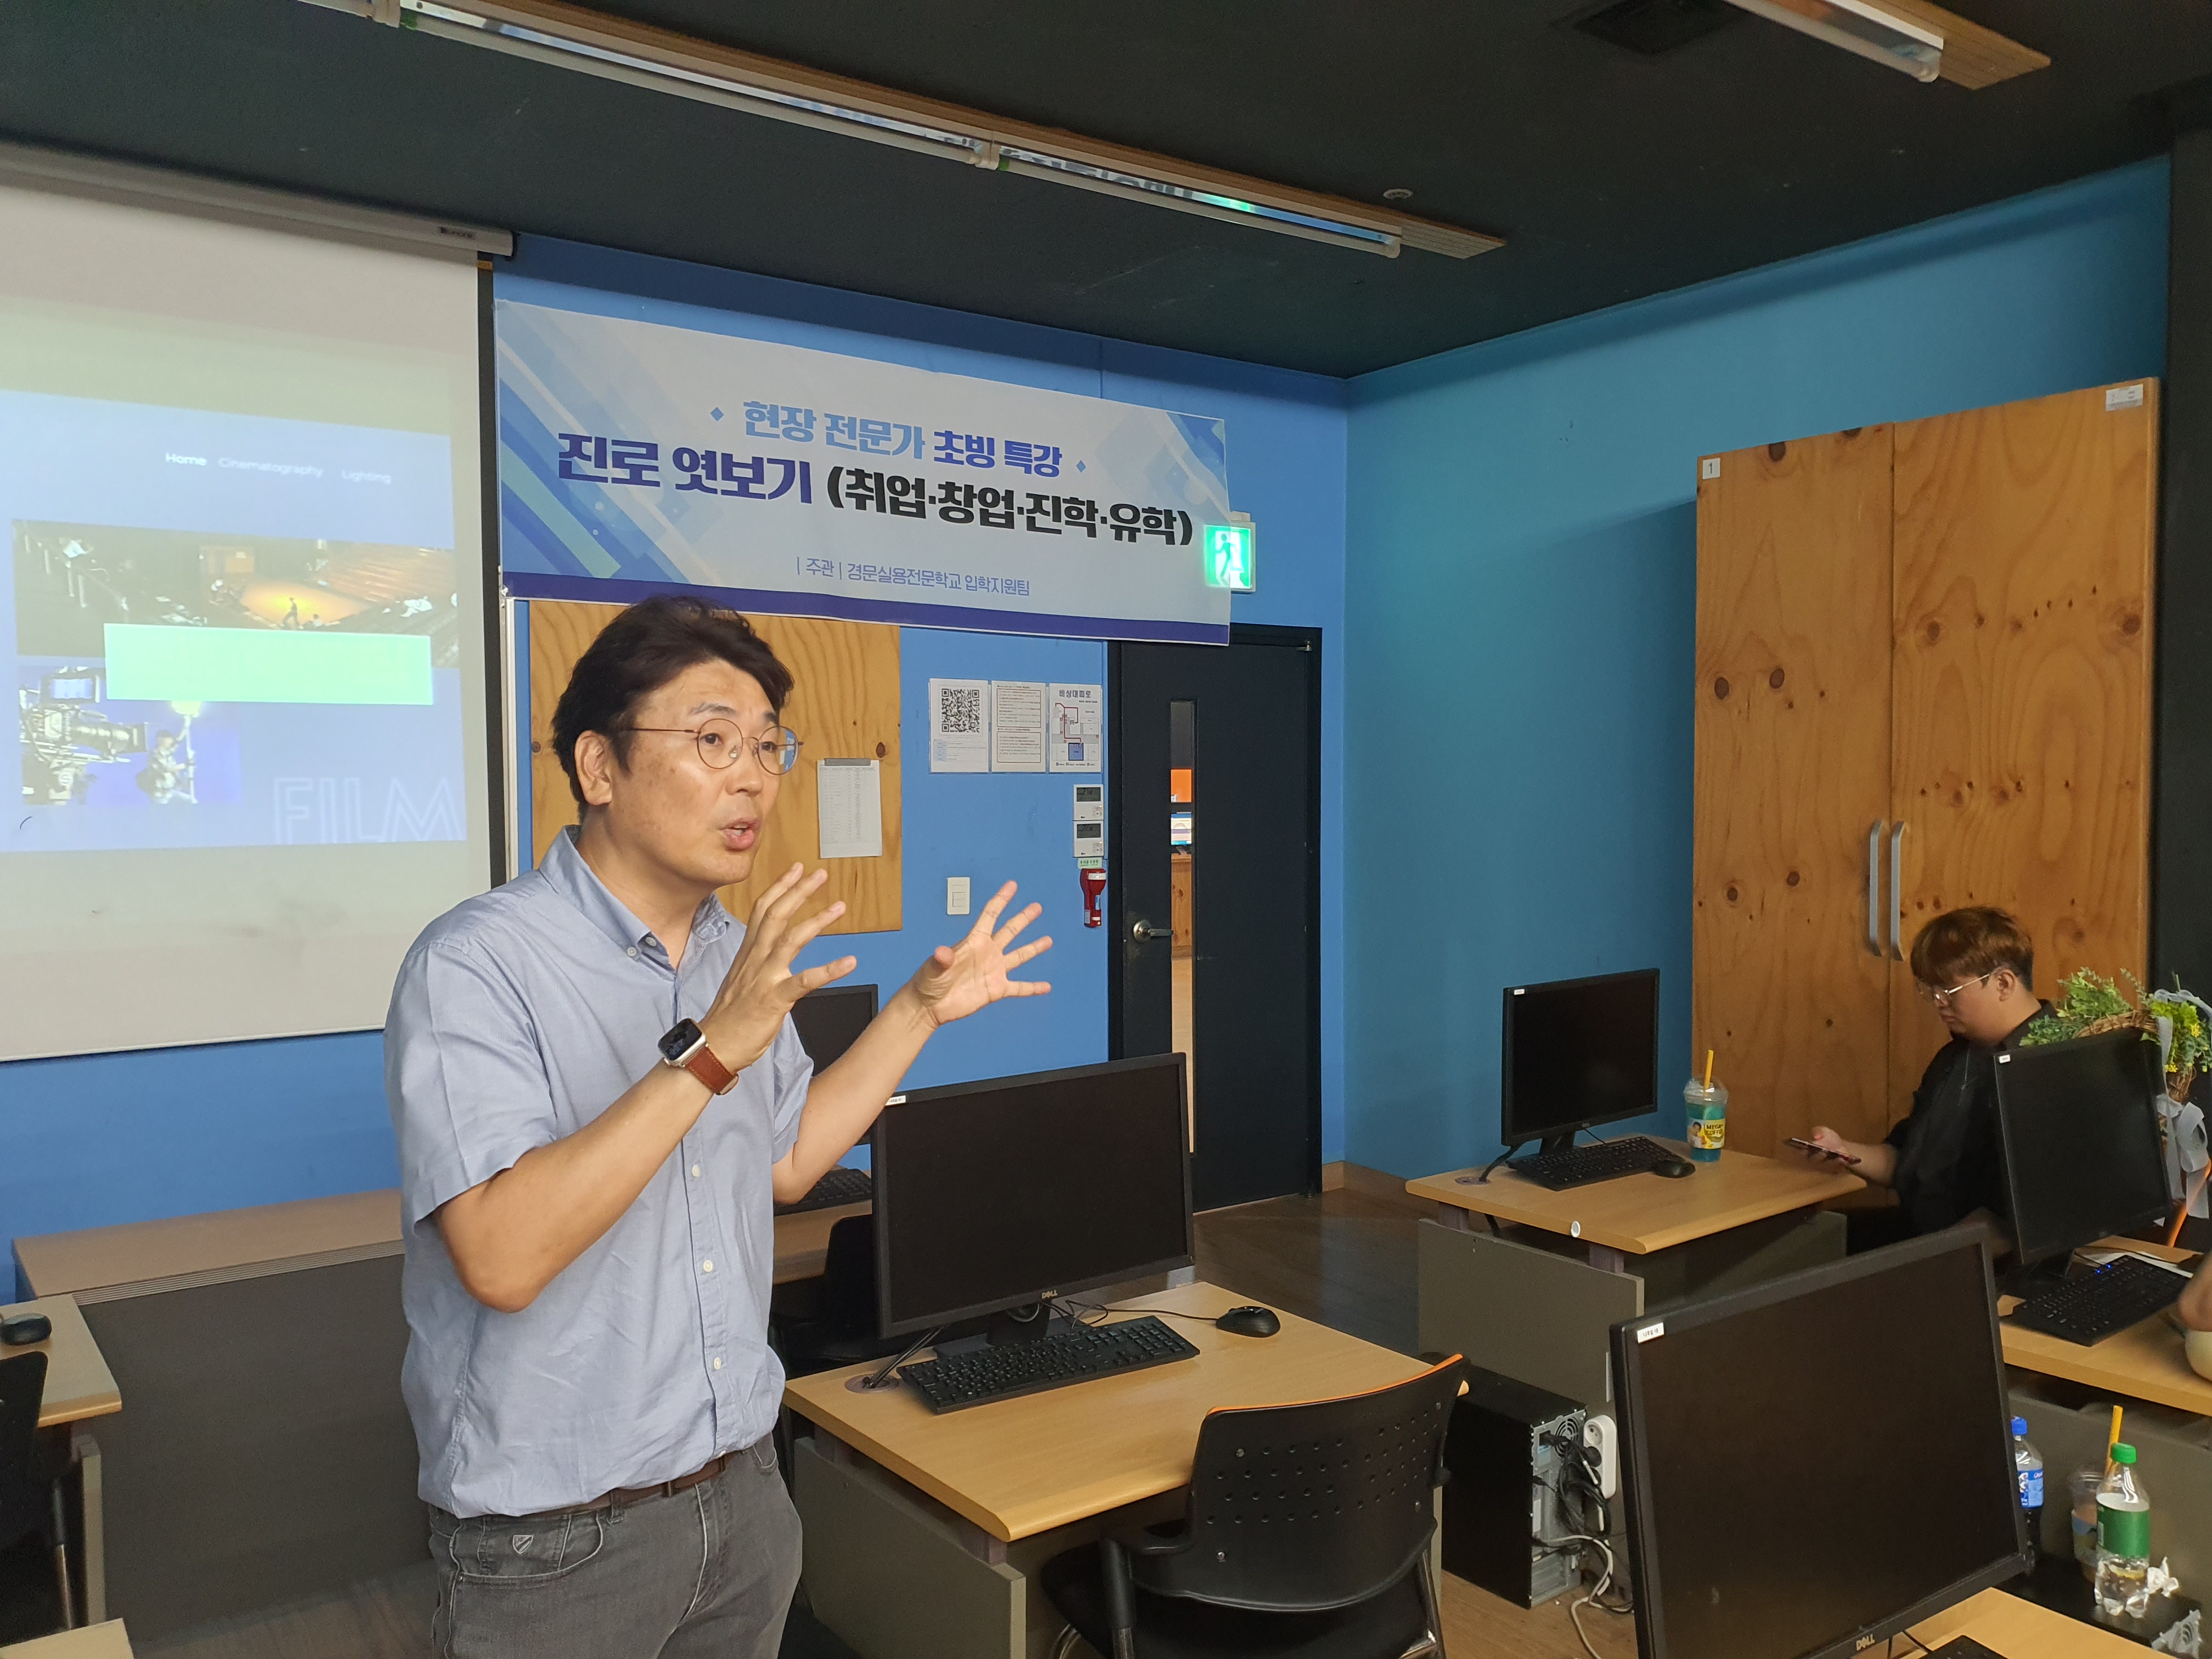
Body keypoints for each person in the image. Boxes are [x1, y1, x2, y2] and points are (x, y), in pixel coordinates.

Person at [385, 595, 1051, 1658]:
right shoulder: (475, 963)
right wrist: (713, 1047)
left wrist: (918, 1012)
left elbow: (786, 1159)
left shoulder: (731, 955)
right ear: (599, 766)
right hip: (555, 1541)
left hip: (742, 1497)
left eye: (767, 746)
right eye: (711, 740)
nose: (752, 777)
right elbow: (502, 1256)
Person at [1803, 906, 2049, 1252]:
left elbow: (2014, 1222)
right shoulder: (1956, 1057)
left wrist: (1922, 1261)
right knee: (1799, 1244)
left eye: (1949, 991)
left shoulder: (2049, 1066)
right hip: (1925, 1234)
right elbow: (1905, 1159)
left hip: (1982, 1257)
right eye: (1930, 990)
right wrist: (1845, 1152)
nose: (1938, 1003)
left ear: (2003, 983)